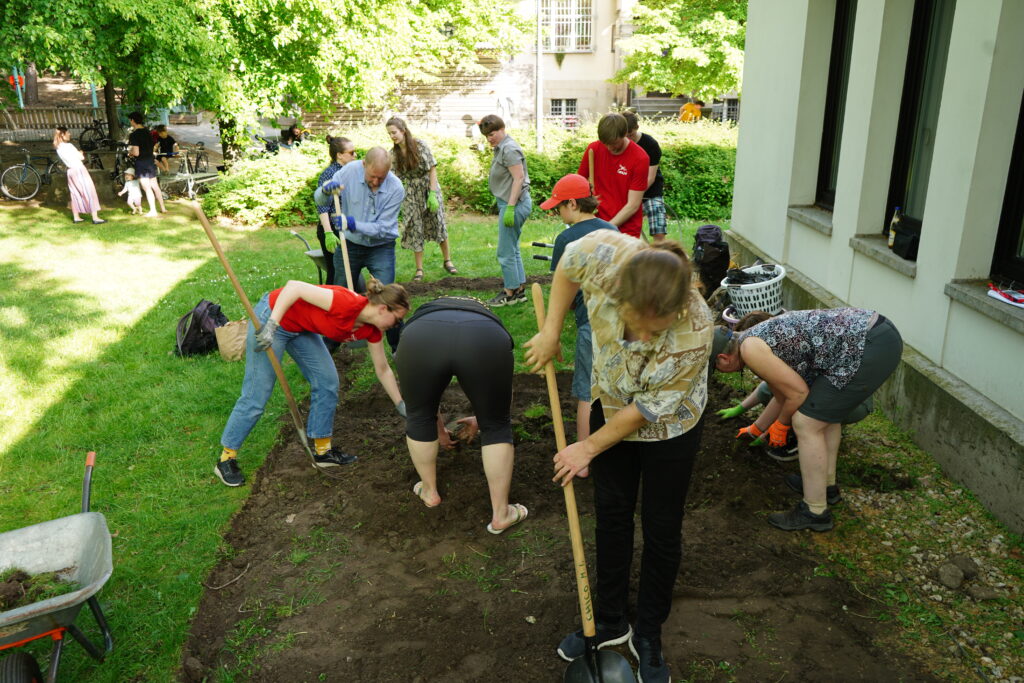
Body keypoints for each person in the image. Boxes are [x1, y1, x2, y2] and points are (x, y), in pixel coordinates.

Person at [525, 229, 713, 683]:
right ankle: (609, 619)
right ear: (619, 291)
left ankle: (648, 631)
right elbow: (569, 265)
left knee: (661, 528)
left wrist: (586, 447)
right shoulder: (603, 255)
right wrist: (551, 331)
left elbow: (647, 409)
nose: (644, 335)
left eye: (656, 328)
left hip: (671, 427)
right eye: (638, 323)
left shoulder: (696, 329)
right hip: (609, 401)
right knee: (611, 514)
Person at [714, 309, 903, 531]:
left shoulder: (750, 349)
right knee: (825, 417)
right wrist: (756, 429)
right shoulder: (753, 339)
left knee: (806, 423)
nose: (721, 373)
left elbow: (798, 394)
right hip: (874, 336)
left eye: (716, 368)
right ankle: (826, 486)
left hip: (867, 344)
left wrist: (782, 425)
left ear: (723, 358)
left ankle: (815, 511)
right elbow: (782, 394)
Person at [216, 278, 409, 487]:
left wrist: (400, 404)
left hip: (301, 328)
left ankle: (323, 451)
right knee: (257, 393)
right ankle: (226, 458)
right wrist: (272, 325)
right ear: (383, 309)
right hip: (274, 315)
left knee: (327, 382)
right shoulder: (346, 302)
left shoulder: (371, 330)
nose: (396, 325)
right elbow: (294, 287)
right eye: (397, 320)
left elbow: (382, 369)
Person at [395, 295, 528, 534]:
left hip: (420, 337)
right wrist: (485, 417)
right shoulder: (488, 318)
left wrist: (438, 429)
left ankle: (429, 491)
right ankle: (501, 513)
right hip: (484, 337)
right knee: (496, 424)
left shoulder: (424, 315)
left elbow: (424, 404)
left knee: (418, 415)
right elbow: (501, 398)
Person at [539, 174, 618, 471]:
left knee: (587, 390)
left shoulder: (567, 238)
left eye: (559, 207)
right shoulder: (612, 229)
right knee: (614, 386)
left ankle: (583, 460)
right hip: (622, 324)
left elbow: (564, 288)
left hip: (591, 325)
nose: (558, 213)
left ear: (573, 203)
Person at [314, 147, 406, 352]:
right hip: (351, 245)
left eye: (381, 178)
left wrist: (352, 223)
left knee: (389, 294)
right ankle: (332, 342)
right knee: (340, 293)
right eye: (373, 176)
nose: (376, 182)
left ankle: (399, 345)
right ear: (364, 164)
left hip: (381, 247)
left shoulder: (396, 187)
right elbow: (319, 200)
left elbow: (384, 228)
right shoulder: (348, 172)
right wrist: (325, 190)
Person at [386, 117, 456, 282]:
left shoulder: (420, 145)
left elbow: (432, 168)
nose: (392, 136)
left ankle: (447, 260)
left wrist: (432, 193)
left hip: (429, 187)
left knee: (438, 223)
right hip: (411, 192)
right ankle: (419, 269)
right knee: (415, 227)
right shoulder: (393, 154)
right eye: (389, 134)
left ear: (403, 130)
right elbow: (393, 177)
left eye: (394, 132)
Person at [479, 114, 531, 306]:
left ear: (502, 129)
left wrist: (510, 207)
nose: (489, 138)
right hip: (509, 203)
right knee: (513, 248)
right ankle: (519, 289)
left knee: (505, 251)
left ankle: (508, 292)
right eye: (486, 136)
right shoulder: (501, 147)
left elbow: (518, 178)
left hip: (514, 205)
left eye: (492, 134)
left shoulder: (509, 149)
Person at [577, 113, 649, 239]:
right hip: (597, 223)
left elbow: (633, 205)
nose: (610, 148)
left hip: (627, 230)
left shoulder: (640, 158)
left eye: (614, 143)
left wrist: (607, 228)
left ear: (625, 134)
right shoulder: (593, 149)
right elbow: (579, 184)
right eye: (606, 143)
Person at [315, 135, 358, 286]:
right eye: (351, 153)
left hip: (346, 224)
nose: (355, 155)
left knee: (349, 269)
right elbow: (322, 205)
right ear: (339, 155)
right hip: (332, 228)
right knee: (336, 270)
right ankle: (329, 303)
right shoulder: (330, 174)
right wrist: (328, 232)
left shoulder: (350, 171)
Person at [623, 112, 667, 242]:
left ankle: (660, 255)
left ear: (637, 127)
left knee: (658, 230)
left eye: (630, 135)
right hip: (626, 192)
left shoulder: (650, 144)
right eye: (625, 136)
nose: (628, 139)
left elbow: (650, 177)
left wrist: (635, 194)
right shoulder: (620, 145)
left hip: (651, 190)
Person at [53, 126, 104, 224]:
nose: (69, 134)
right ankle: (95, 217)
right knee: (89, 191)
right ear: (63, 134)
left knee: (75, 193)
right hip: (79, 169)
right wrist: (81, 153)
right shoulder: (69, 146)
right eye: (68, 133)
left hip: (70, 171)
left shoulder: (58, 148)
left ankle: (76, 217)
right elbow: (80, 157)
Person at [126, 111, 166, 216]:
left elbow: (136, 152)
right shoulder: (148, 132)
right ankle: (163, 208)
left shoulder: (134, 135)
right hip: (150, 161)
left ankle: (153, 211)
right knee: (155, 186)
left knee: (147, 188)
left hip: (141, 163)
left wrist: (130, 152)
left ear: (132, 120)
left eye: (130, 120)